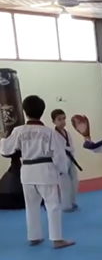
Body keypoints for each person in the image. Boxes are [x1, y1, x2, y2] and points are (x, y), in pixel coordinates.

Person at [0, 96, 75, 249]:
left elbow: (6, 150)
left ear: (25, 111)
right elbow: (59, 155)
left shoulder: (18, 131)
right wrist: (61, 171)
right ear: (42, 111)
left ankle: (34, 237)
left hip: (27, 171)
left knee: (31, 205)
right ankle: (57, 239)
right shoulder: (49, 133)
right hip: (45, 170)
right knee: (52, 205)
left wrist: (2, 139)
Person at [51, 109, 81, 212]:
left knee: (74, 181)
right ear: (53, 121)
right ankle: (66, 205)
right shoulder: (53, 135)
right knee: (64, 184)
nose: (62, 121)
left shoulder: (66, 133)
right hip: (60, 161)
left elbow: (70, 147)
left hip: (70, 159)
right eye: (59, 119)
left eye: (64, 118)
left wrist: (70, 150)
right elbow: (58, 149)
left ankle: (72, 201)